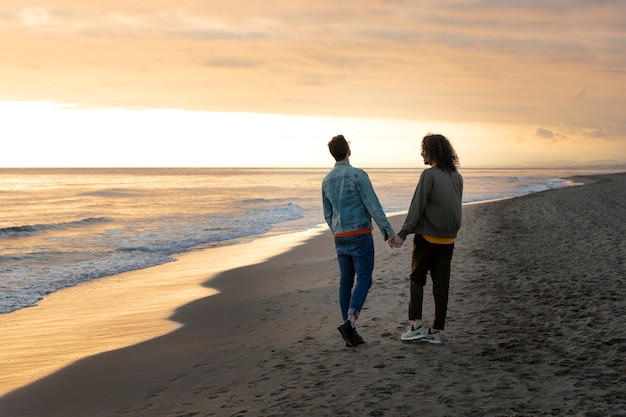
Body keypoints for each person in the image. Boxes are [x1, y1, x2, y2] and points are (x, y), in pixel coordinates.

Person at [322, 134, 398, 348]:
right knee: (364, 278)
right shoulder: (358, 175)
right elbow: (373, 205)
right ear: (349, 151)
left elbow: (327, 214)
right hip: (360, 234)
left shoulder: (327, 180)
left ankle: (350, 332)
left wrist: (337, 229)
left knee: (346, 281)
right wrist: (389, 232)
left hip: (340, 237)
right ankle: (351, 321)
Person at [391, 134, 463, 344]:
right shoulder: (457, 177)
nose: (421, 153)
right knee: (441, 287)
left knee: (417, 280)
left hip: (428, 240)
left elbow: (417, 206)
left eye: (424, 149)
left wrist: (403, 233)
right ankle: (436, 331)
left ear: (433, 151)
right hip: (448, 241)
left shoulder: (428, 175)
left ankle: (416, 327)